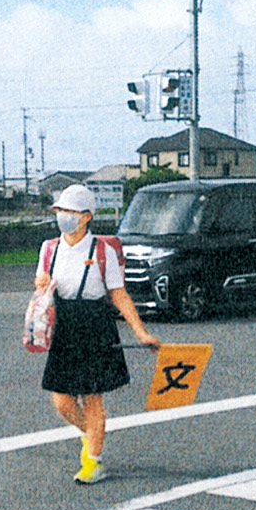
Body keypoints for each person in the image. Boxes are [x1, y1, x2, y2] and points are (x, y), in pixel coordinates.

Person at [34, 183, 160, 484]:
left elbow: (119, 294)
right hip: (63, 323)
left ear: (87, 216)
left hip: (94, 323)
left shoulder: (102, 250)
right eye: (60, 210)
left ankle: (94, 461)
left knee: (92, 398)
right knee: (62, 400)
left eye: (70, 211)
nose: (63, 216)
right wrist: (41, 284)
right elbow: (42, 286)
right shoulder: (49, 247)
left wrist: (141, 332)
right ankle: (90, 436)